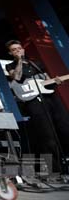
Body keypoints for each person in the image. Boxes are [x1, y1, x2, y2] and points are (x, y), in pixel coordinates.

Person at [5, 39, 69, 172]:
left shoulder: (36, 63)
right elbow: (17, 77)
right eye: (14, 50)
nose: (18, 50)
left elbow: (46, 80)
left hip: (50, 98)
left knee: (65, 127)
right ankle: (56, 170)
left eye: (19, 48)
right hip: (33, 102)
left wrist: (56, 81)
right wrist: (20, 61)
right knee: (47, 135)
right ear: (10, 53)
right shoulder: (11, 66)